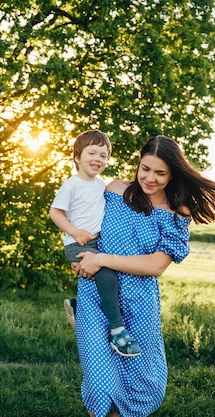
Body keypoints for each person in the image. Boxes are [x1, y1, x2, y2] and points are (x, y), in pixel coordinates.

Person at [72, 135, 215, 417]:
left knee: (137, 383)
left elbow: (156, 266)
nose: (149, 178)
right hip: (97, 295)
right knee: (100, 384)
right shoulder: (114, 190)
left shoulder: (176, 213)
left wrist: (102, 259)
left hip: (138, 303)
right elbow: (84, 222)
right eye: (145, 168)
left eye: (160, 173)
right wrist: (80, 255)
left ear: (173, 173)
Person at [50, 130, 141, 357]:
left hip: (97, 242)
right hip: (77, 243)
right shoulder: (72, 184)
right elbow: (55, 212)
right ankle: (118, 330)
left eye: (104, 155)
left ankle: (79, 306)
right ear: (77, 157)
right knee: (106, 274)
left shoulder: (101, 185)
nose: (98, 159)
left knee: (112, 275)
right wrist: (74, 231)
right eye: (92, 152)